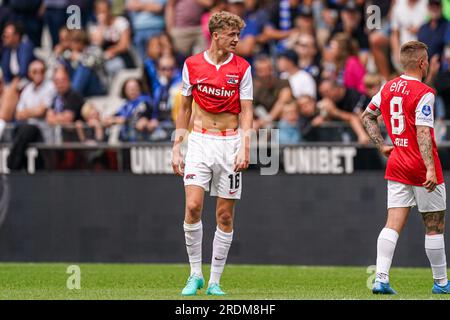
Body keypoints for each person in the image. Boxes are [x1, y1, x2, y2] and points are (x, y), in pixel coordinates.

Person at [171, 11, 253, 296]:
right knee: (193, 206)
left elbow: (247, 111)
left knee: (224, 216)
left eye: (237, 35)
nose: (236, 40)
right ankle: (195, 275)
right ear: (216, 34)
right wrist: (177, 146)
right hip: (200, 142)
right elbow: (183, 108)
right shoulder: (192, 65)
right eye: (232, 34)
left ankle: (215, 281)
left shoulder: (242, 68)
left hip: (229, 143)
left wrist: (245, 146)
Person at [361, 40, 449, 294]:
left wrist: (381, 145)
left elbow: (367, 116)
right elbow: (423, 132)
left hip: (397, 162)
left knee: (392, 223)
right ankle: (441, 283)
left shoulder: (388, 87)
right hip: (421, 166)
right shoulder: (425, 93)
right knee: (434, 226)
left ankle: (381, 278)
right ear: (423, 63)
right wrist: (430, 169)